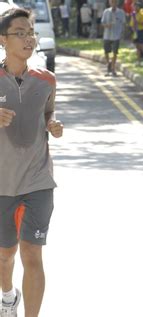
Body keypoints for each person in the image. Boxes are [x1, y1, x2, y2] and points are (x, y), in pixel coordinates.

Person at [0, 7, 63, 317]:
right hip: (2, 183)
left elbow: (48, 111)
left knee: (32, 254)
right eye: (19, 33)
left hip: (38, 180)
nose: (28, 38)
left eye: (30, 32)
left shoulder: (46, 80)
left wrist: (53, 122)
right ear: (2, 40)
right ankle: (8, 295)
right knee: (5, 255)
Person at [101, 0, 126, 76]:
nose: (113, 3)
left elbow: (123, 23)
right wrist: (106, 25)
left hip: (116, 35)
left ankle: (113, 68)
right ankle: (108, 64)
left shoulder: (121, 12)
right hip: (107, 35)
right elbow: (102, 23)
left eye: (115, 2)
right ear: (109, 3)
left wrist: (122, 33)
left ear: (117, 3)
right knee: (106, 51)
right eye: (112, 2)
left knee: (115, 52)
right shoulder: (106, 11)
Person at [130, 1, 143, 65]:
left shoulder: (142, 13)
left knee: (142, 46)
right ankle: (138, 60)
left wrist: (138, 22)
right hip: (136, 31)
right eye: (134, 6)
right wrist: (133, 29)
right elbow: (132, 23)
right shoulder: (133, 14)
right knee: (137, 46)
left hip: (141, 31)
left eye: (136, 6)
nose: (135, 8)